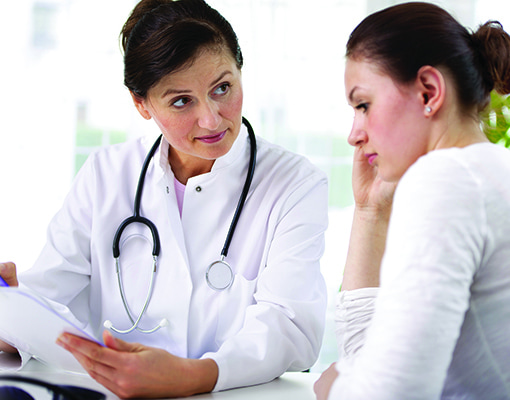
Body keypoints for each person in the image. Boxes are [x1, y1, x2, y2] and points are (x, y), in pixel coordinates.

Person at [0, 0, 328, 398]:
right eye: (181, 101)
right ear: (141, 104)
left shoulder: (294, 182)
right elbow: (48, 293)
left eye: (222, 88)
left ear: (241, 70)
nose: (211, 119)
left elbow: (290, 327)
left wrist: (194, 375)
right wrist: (12, 320)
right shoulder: (106, 174)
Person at [314, 2, 510, 399]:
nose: (354, 133)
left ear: (429, 92)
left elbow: (390, 391)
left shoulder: (447, 179)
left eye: (363, 105)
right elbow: (374, 357)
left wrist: (336, 386)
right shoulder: (490, 169)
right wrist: (370, 212)